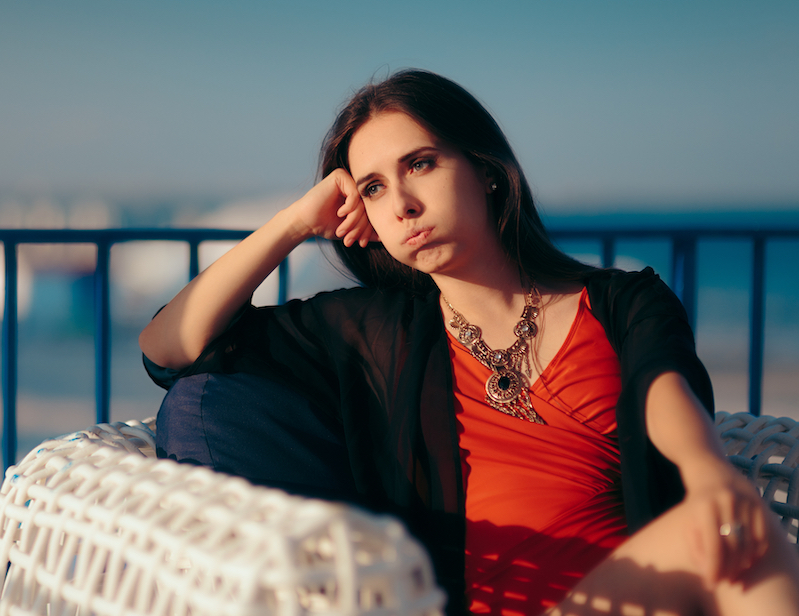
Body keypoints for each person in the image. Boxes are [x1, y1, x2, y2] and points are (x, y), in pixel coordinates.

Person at [139, 69, 799, 615]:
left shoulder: (623, 300)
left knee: (733, 535)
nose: (401, 203)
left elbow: (666, 384)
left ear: (484, 169)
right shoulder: (376, 332)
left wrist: (710, 472)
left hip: (646, 591)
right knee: (744, 542)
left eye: (419, 164)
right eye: (372, 187)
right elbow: (169, 344)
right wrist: (292, 222)